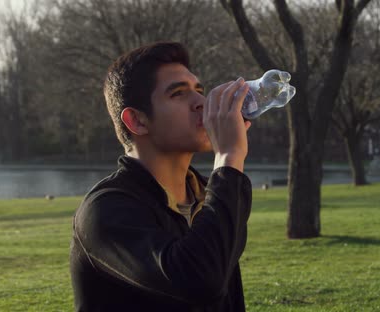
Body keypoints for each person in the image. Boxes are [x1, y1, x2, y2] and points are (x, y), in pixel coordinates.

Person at [69, 42, 253, 312]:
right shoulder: (106, 211)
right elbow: (200, 282)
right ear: (137, 121)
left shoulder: (207, 193)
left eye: (199, 91)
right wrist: (229, 156)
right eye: (178, 94)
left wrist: (229, 169)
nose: (202, 103)